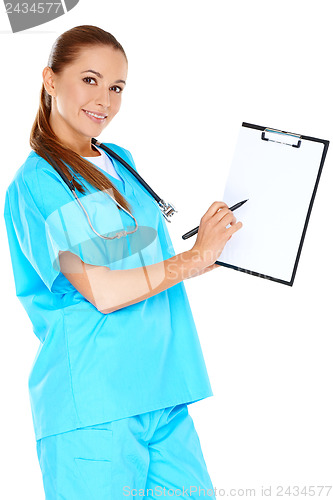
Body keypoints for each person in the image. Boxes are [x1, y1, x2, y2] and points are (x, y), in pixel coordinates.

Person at [3, 25, 242, 499]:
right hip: (95, 403)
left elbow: (141, 255)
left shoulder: (121, 161)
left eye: (116, 87)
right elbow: (104, 289)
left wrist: (211, 248)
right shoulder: (38, 183)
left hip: (163, 391)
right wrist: (193, 260)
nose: (105, 101)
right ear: (50, 80)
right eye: (90, 80)